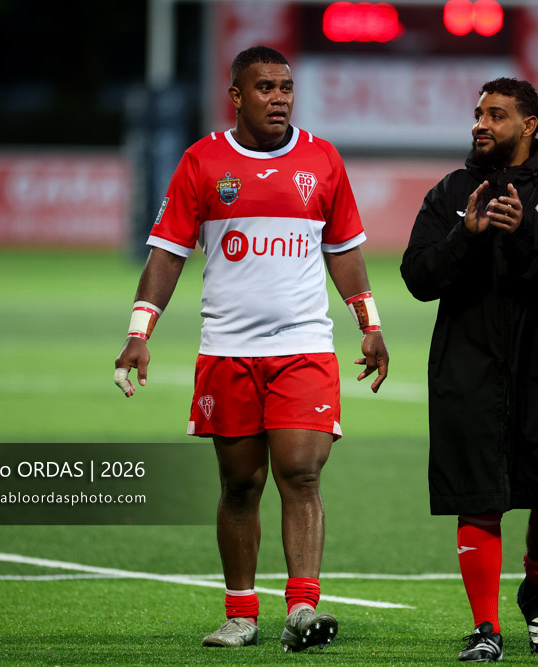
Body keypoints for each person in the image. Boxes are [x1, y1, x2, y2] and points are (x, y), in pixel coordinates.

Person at [112, 45, 390, 652]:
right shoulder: (203, 161)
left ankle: (302, 608)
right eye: (264, 87)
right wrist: (139, 333)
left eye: (286, 86)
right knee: (240, 485)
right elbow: (166, 253)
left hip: (304, 348)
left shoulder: (322, 159)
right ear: (236, 96)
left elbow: (343, 250)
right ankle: (241, 613)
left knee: (300, 472)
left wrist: (369, 323)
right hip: (227, 351)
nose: (279, 97)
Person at [401, 77, 538, 662]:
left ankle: (536, 593)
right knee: (477, 496)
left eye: (497, 115)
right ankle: (485, 628)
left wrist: (527, 235)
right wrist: (468, 234)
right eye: (478, 114)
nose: (481, 124)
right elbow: (418, 278)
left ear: (529, 124)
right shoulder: (452, 191)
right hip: (469, 365)